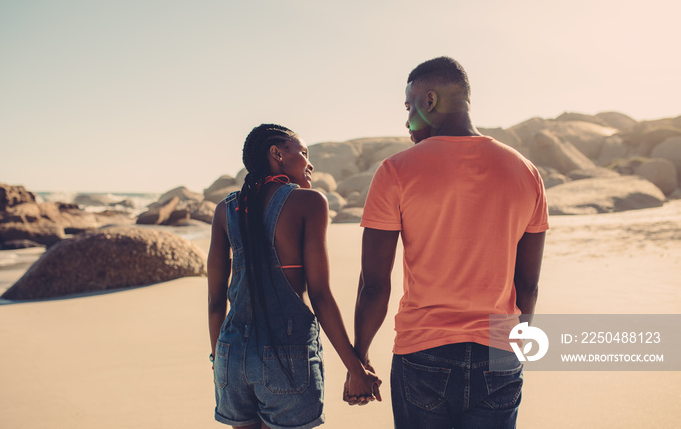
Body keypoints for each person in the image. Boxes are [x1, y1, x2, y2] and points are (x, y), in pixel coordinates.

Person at [346, 57, 549, 428]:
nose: (406, 120)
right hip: (499, 352)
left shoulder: (395, 171)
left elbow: (374, 284)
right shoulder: (526, 171)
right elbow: (529, 285)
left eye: (409, 107)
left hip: (424, 353)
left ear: (430, 100)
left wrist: (359, 359)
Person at [208, 124, 381, 429]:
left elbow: (214, 303)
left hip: (230, 357)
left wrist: (219, 362)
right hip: (287, 358)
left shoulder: (225, 210)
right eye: (303, 153)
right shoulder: (309, 202)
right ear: (277, 154)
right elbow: (320, 296)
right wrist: (355, 368)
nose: (309, 163)